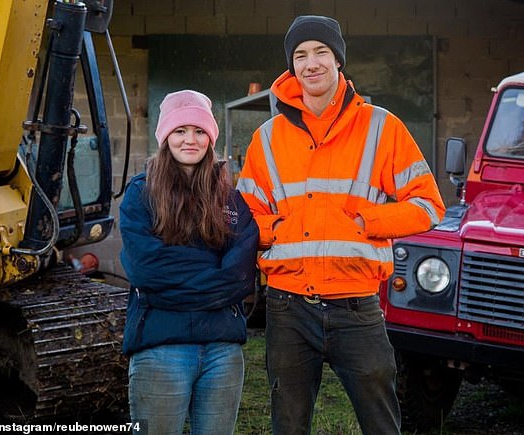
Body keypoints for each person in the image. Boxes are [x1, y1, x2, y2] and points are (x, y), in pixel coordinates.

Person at [236, 15, 445, 435]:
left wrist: (370, 221)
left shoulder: (382, 127)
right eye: (300, 55)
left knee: (381, 425)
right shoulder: (267, 138)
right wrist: (275, 232)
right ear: (291, 66)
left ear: (338, 61)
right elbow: (247, 215)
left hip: (357, 306)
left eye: (321, 52)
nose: (311, 63)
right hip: (287, 307)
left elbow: (428, 206)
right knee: (288, 425)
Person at [119, 89, 259, 435]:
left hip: (222, 353)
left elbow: (241, 274)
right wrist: (212, 274)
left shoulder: (231, 200)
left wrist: (177, 280)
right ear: (165, 137)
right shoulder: (140, 194)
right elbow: (146, 269)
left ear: (210, 139)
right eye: (180, 131)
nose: (190, 140)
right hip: (161, 348)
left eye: (199, 131)